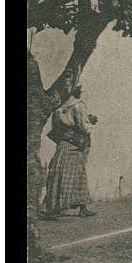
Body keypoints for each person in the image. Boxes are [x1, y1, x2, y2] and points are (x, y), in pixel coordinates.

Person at [41, 85, 98, 219]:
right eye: (78, 88)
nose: (81, 91)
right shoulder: (78, 105)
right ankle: (54, 209)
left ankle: (79, 207)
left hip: (64, 144)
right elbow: (84, 127)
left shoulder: (59, 107)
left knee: (62, 174)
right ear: (72, 90)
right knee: (74, 175)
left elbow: (57, 126)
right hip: (75, 144)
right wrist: (91, 122)